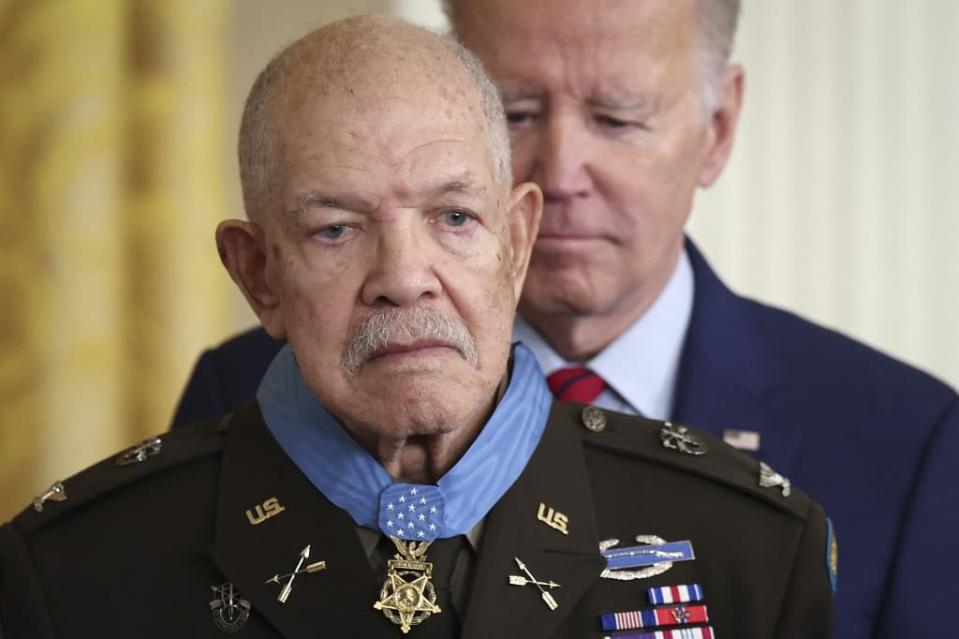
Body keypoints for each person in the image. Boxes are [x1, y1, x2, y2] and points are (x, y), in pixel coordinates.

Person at [0, 16, 833, 639]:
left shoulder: (750, 552)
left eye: (454, 217)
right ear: (258, 273)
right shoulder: (69, 574)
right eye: (335, 227)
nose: (402, 277)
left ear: (515, 243)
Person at [170, 1, 958, 638]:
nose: (561, 171)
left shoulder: (902, 439)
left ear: (716, 130)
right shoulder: (244, 384)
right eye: (513, 113)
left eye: (616, 117)